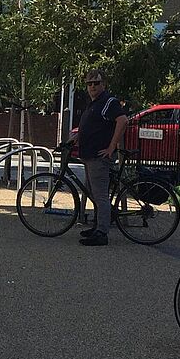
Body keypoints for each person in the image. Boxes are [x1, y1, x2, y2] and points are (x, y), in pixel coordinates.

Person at [74, 70, 129, 246]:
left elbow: (123, 121)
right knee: (93, 193)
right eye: (89, 84)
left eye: (96, 83)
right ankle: (98, 225)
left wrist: (112, 147)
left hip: (99, 156)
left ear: (103, 84)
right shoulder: (94, 104)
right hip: (89, 155)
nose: (92, 87)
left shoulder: (108, 102)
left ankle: (102, 233)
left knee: (100, 195)